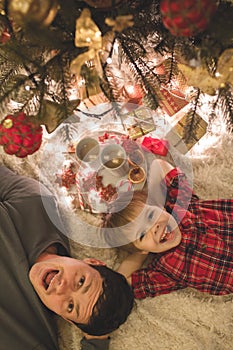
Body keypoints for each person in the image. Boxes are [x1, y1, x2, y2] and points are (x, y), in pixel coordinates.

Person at [0, 164, 134, 350]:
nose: (62, 287)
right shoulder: (37, 203)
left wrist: (96, 339)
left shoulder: (33, 340)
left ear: (66, 319)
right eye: (80, 281)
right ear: (92, 262)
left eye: (70, 306)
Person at [101, 158, 233, 299]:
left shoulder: (179, 206)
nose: (154, 228)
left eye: (151, 215)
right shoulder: (165, 269)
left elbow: (159, 165)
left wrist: (157, 204)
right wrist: (141, 251)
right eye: (142, 234)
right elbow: (119, 283)